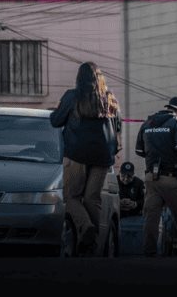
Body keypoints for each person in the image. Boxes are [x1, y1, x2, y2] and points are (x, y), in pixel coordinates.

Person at [50, 62, 121, 256]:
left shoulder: (72, 97)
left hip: (76, 154)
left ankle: (86, 226)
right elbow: (118, 128)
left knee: (71, 197)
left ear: (79, 78)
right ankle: (92, 243)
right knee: (92, 199)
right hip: (102, 157)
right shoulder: (109, 99)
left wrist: (58, 109)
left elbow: (55, 121)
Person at [135, 96, 177, 257]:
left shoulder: (147, 123)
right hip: (171, 179)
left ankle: (149, 253)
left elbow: (140, 151)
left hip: (151, 179)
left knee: (151, 219)